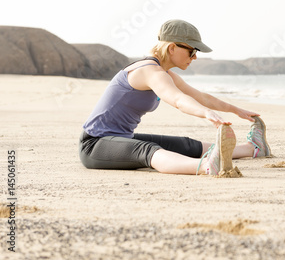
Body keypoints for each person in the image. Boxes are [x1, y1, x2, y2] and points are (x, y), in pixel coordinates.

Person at [79, 19, 271, 176]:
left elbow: (199, 96)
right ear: (172, 48)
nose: (194, 57)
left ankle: (253, 148)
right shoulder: (150, 72)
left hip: (119, 138)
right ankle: (206, 166)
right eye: (192, 51)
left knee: (182, 144)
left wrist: (236, 110)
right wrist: (205, 113)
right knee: (148, 150)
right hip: (95, 144)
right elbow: (178, 100)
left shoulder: (164, 73)